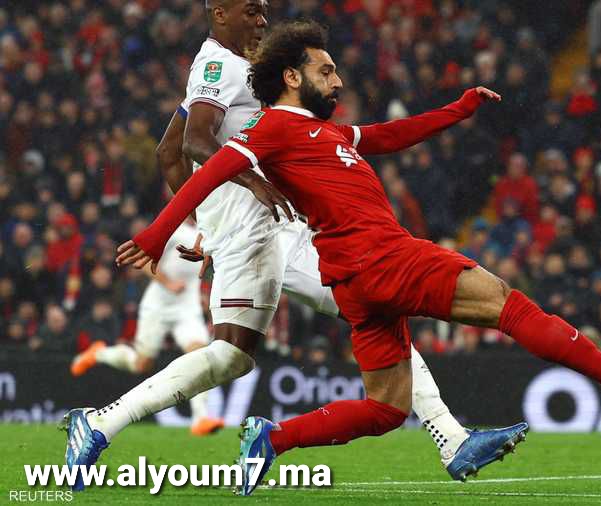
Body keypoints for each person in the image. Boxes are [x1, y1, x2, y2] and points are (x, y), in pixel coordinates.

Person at [115, 20, 601, 495]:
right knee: (505, 303)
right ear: (291, 77)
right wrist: (158, 234)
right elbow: (203, 169)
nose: (337, 79)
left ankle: (274, 439)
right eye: (325, 70)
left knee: (387, 409)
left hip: (354, 280)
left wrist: (458, 109)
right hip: (381, 257)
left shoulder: (328, 133)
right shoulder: (270, 130)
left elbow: (391, 135)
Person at [62, 2, 525, 490]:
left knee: (269, 342)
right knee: (258, 345)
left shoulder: (231, 69)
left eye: (264, 11)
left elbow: (168, 152)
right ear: (220, 14)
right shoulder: (218, 65)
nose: (262, 20)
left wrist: (209, 224)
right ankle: (100, 422)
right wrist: (244, 194)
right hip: (261, 228)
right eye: (251, 11)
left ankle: (451, 437)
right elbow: (195, 142)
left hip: (267, 228)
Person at [70, 220, 224, 436]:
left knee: (200, 354)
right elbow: (142, 261)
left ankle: (200, 418)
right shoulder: (175, 228)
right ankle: (99, 353)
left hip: (187, 307)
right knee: (141, 364)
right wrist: (168, 283)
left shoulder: (210, 229)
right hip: (157, 305)